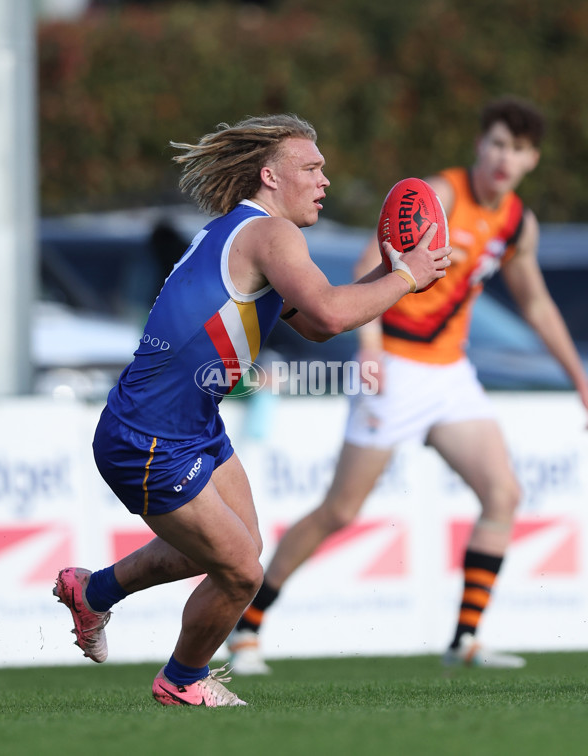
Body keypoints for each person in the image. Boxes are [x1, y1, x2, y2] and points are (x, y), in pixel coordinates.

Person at [52, 113, 450, 707]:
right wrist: (407, 277)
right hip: (150, 435)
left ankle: (94, 593)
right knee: (241, 571)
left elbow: (316, 324)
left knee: (235, 550)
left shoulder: (245, 234)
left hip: (189, 426)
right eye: (311, 168)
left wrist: (394, 275)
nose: (325, 181)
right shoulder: (271, 236)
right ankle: (181, 681)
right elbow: (335, 315)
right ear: (269, 175)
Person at [227, 97, 588, 674]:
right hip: (394, 365)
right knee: (340, 511)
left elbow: (538, 304)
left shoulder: (518, 222)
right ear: (479, 146)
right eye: (496, 143)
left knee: (503, 494)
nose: (503, 157)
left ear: (532, 160)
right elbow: (374, 260)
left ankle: (463, 641)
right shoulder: (439, 195)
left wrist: (580, 381)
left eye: (517, 149)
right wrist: (369, 352)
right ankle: (246, 628)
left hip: (451, 373)